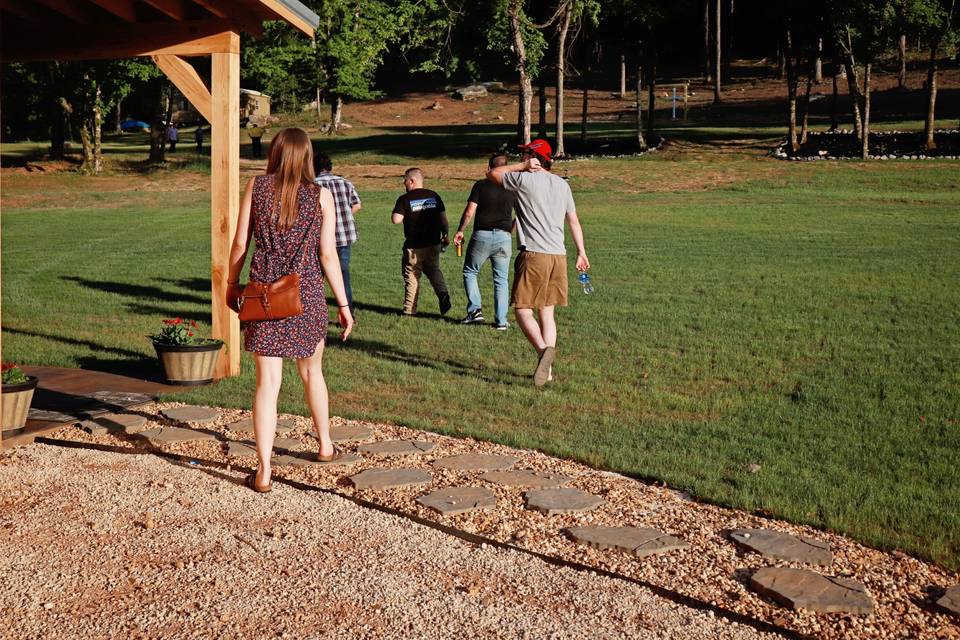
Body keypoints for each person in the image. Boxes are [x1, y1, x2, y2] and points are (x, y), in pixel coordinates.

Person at [225, 127, 354, 493]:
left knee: (267, 384)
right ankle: (325, 445)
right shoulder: (321, 196)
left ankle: (264, 470)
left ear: (276, 152)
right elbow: (328, 255)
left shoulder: (257, 187)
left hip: (265, 296)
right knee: (313, 373)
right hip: (308, 295)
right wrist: (343, 304)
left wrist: (231, 284)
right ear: (308, 156)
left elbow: (239, 243)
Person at [488, 139, 590, 387]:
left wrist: (521, 166)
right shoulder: (562, 185)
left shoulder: (524, 180)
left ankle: (544, 351)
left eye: (527, 155)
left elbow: (492, 173)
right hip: (559, 256)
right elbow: (573, 222)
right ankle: (548, 371)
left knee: (522, 310)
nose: (524, 159)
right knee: (547, 312)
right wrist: (582, 252)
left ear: (534, 159)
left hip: (534, 255)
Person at [453, 153, 516, 330]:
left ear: (490, 168)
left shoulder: (481, 185)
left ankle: (475, 311)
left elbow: (469, 211)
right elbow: (520, 215)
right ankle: (501, 321)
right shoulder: (513, 188)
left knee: (470, 272)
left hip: (482, 235)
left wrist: (460, 230)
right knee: (501, 280)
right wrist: (509, 231)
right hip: (504, 238)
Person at [391, 168, 452, 316]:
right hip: (433, 243)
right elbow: (443, 219)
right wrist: (446, 235)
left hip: (414, 246)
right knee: (433, 270)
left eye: (405, 180)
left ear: (412, 181)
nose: (403, 183)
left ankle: (409, 310)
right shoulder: (434, 196)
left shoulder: (405, 199)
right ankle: (442, 293)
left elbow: (396, 220)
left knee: (412, 276)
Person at [313, 148, 361, 315]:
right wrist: (344, 215)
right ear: (330, 167)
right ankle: (349, 312)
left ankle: (314, 312)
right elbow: (357, 205)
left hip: (320, 238)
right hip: (345, 235)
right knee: (343, 275)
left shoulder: (313, 185)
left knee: (317, 278)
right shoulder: (345, 183)